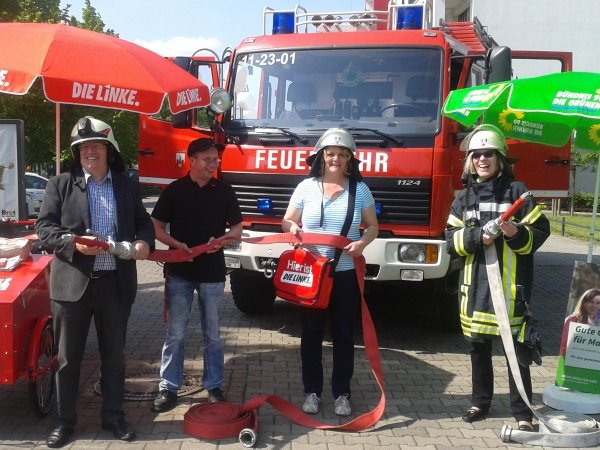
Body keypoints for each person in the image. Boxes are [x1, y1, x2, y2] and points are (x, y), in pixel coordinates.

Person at [35, 116, 155, 448]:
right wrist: (72, 242)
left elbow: (144, 223)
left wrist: (145, 243)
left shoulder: (126, 183)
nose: (90, 151)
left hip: (114, 285)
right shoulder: (59, 184)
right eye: (84, 147)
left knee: (114, 356)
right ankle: (64, 420)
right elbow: (44, 229)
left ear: (108, 149)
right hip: (71, 287)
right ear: (77, 152)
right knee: (67, 359)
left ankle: (114, 417)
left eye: (96, 146)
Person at [445, 124, 549, 432]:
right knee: (479, 350)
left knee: (516, 354)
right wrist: (479, 237)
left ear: (500, 158)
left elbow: (541, 232)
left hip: (509, 290)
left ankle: (523, 413)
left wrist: (517, 233)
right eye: (476, 155)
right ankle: (480, 402)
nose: (482, 160)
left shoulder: (519, 192)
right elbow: (450, 242)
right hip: (476, 289)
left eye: (488, 154)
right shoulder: (463, 199)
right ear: (470, 161)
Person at [282, 128, 378, 416]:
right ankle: (312, 391)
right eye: (330, 153)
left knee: (343, 336)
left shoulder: (359, 190)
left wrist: (362, 243)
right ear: (321, 156)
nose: (336, 158)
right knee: (310, 335)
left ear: (350, 159)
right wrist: (293, 228)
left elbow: (372, 226)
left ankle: (342, 394)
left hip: (345, 275)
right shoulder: (306, 187)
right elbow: (287, 221)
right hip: (311, 276)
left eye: (342, 154)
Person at [150, 138, 243, 413]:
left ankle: (214, 385)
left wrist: (222, 240)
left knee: (212, 334)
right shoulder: (174, 191)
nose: (214, 163)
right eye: (208, 159)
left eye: (216, 159)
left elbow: (237, 229)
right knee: (175, 334)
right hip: (179, 272)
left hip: (212, 273)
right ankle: (168, 387)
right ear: (192, 160)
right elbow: (155, 227)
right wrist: (176, 244)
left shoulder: (224, 191)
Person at [559, 288, 600, 355]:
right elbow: (562, 345)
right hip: (570, 360)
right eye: (591, 302)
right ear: (584, 303)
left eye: (598, 303)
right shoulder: (572, 320)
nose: (594, 306)